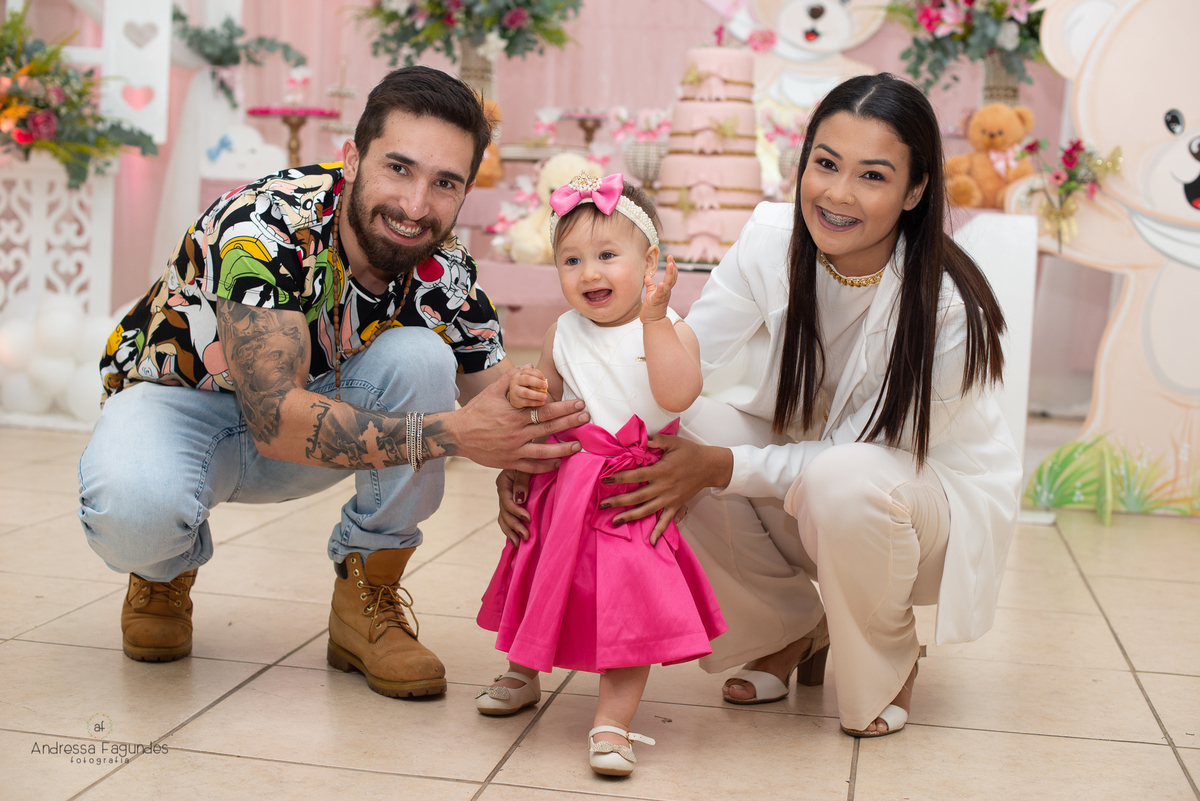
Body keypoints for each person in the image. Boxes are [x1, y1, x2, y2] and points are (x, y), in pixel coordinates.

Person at [77, 67, 589, 701]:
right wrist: (455, 435)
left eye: (444, 183)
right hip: (184, 406)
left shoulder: (443, 267)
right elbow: (274, 422)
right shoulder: (263, 226)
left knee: (421, 358)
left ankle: (364, 595)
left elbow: (503, 400)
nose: (415, 206)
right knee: (134, 511)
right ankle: (161, 572)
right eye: (398, 168)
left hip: (312, 426)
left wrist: (548, 455)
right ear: (352, 157)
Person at [593, 74, 1022, 737]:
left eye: (872, 176)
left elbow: (860, 454)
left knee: (840, 479)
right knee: (677, 429)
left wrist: (720, 467)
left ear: (914, 191)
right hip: (823, 490)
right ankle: (786, 626)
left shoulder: (945, 306)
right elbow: (687, 357)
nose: (837, 194)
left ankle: (888, 653)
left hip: (921, 511)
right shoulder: (771, 238)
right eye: (826, 164)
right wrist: (575, 407)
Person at [477, 174, 727, 776]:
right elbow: (547, 401)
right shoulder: (563, 331)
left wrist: (656, 320)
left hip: (630, 488)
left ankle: (613, 721)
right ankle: (522, 670)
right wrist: (528, 394)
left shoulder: (670, 329)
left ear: (650, 264)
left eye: (607, 255)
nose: (589, 272)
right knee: (542, 577)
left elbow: (677, 395)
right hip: (564, 480)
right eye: (571, 260)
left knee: (627, 602)